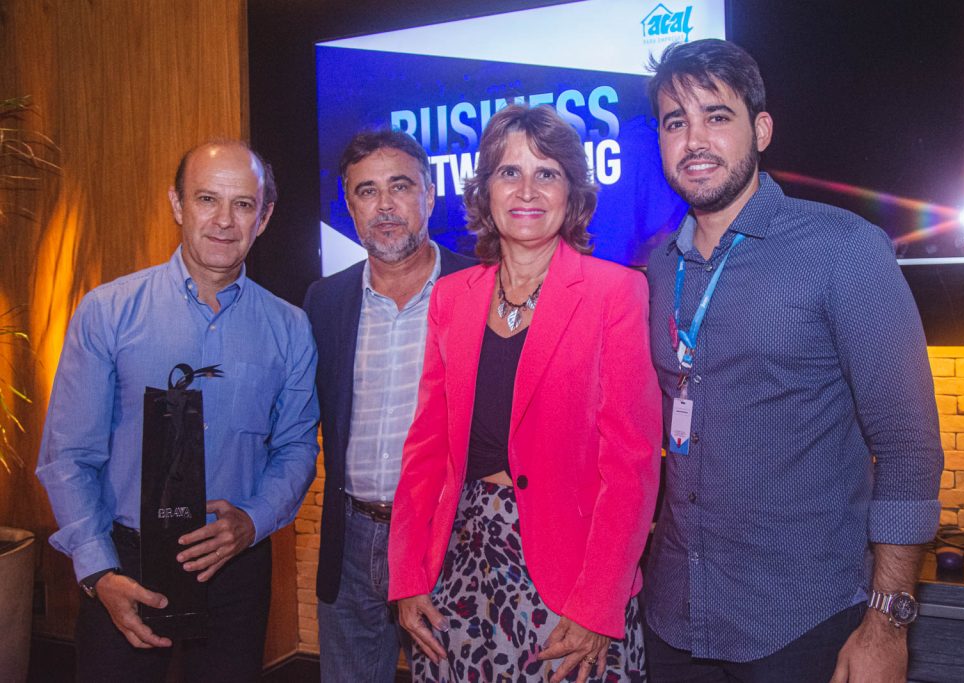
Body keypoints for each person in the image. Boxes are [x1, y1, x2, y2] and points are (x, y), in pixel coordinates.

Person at [641, 39, 943, 682]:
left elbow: (908, 447)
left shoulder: (844, 249)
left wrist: (887, 626)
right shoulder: (656, 266)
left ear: (762, 128)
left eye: (716, 116)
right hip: (672, 620)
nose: (694, 138)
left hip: (802, 625)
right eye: (675, 122)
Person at [388, 104, 662, 683]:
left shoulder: (616, 293)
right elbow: (425, 452)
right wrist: (408, 576)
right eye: (509, 172)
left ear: (572, 192)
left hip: (570, 577)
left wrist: (596, 604)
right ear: (485, 190)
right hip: (456, 568)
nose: (527, 189)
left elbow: (631, 467)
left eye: (547, 173)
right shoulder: (452, 297)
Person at [36, 140, 320, 682]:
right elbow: (69, 455)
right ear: (177, 205)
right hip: (125, 562)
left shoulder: (289, 328)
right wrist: (98, 572)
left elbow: (296, 446)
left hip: (236, 563)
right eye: (207, 199)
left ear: (264, 218)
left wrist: (254, 521)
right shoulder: (108, 313)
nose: (223, 220)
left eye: (242, 204)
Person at [303, 130, 475, 682]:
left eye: (399, 186)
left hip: (451, 538)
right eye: (366, 191)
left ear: (429, 194)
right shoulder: (323, 301)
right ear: (349, 206)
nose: (384, 206)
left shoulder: (480, 287)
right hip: (352, 537)